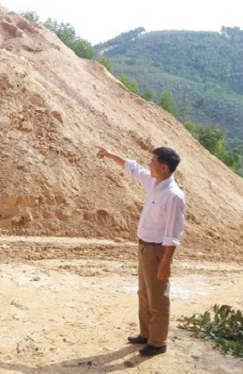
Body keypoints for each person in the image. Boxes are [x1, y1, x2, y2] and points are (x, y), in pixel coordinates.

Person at [96, 146, 186, 356]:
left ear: (164, 168)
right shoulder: (155, 183)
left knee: (157, 298)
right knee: (144, 293)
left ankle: (158, 342)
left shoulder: (173, 196)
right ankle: (146, 334)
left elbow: (173, 234)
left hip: (157, 251)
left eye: (153, 161)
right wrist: (109, 154)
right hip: (144, 247)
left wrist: (165, 263)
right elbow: (133, 168)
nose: (149, 164)